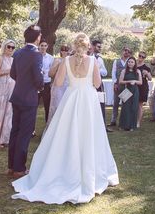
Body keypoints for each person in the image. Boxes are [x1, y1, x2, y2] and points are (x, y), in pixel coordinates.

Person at [12, 33, 119, 203]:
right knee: (89, 133)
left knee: (66, 133)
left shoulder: (66, 61)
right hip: (88, 100)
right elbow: (98, 84)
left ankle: (64, 167)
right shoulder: (93, 61)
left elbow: (59, 82)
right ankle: (87, 170)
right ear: (88, 46)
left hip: (71, 98)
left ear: (74, 46)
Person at [7, 25, 44, 178]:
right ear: (37, 38)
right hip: (29, 98)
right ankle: (19, 168)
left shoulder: (18, 52)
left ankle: (11, 166)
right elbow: (38, 77)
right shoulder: (36, 54)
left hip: (17, 96)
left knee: (15, 131)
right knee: (25, 133)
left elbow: (13, 73)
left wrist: (23, 83)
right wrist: (40, 86)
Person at [46, 44, 70, 127]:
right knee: (56, 107)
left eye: (67, 50)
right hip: (58, 88)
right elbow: (50, 74)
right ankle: (53, 128)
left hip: (68, 87)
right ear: (60, 51)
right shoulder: (57, 60)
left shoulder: (71, 61)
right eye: (63, 49)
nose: (65, 51)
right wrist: (59, 65)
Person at [118, 56, 142, 131]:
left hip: (135, 91)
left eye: (132, 62)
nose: (130, 63)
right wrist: (129, 81)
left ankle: (132, 126)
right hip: (127, 90)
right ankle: (123, 125)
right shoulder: (124, 71)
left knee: (134, 107)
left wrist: (135, 81)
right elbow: (120, 81)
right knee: (125, 107)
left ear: (135, 63)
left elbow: (140, 82)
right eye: (129, 62)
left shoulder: (138, 71)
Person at [110, 47, 131, 126]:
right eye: (125, 50)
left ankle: (123, 120)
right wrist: (115, 83)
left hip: (127, 85)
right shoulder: (116, 61)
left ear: (130, 53)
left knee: (125, 103)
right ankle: (113, 120)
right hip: (118, 85)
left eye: (128, 51)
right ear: (122, 51)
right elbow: (113, 73)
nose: (126, 52)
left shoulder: (130, 62)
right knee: (115, 103)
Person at [91, 39, 110, 128]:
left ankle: (103, 126)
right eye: (98, 47)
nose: (100, 48)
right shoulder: (86, 56)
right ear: (93, 46)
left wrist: (97, 69)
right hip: (88, 84)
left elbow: (105, 72)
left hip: (98, 84)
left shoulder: (100, 59)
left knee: (101, 103)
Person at [37, 40, 54, 123]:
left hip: (46, 83)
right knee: (34, 106)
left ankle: (47, 126)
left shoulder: (51, 58)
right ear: (39, 46)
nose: (43, 47)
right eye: (41, 45)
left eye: (45, 45)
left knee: (47, 106)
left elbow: (52, 71)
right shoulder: (35, 56)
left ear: (47, 46)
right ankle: (32, 129)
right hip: (36, 84)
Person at [136, 52, 152, 128]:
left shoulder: (146, 67)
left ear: (144, 58)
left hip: (142, 87)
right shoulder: (133, 64)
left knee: (140, 105)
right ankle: (131, 120)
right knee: (131, 103)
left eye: (143, 57)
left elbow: (150, 78)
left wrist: (147, 73)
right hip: (133, 86)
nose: (141, 58)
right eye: (140, 56)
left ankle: (138, 122)